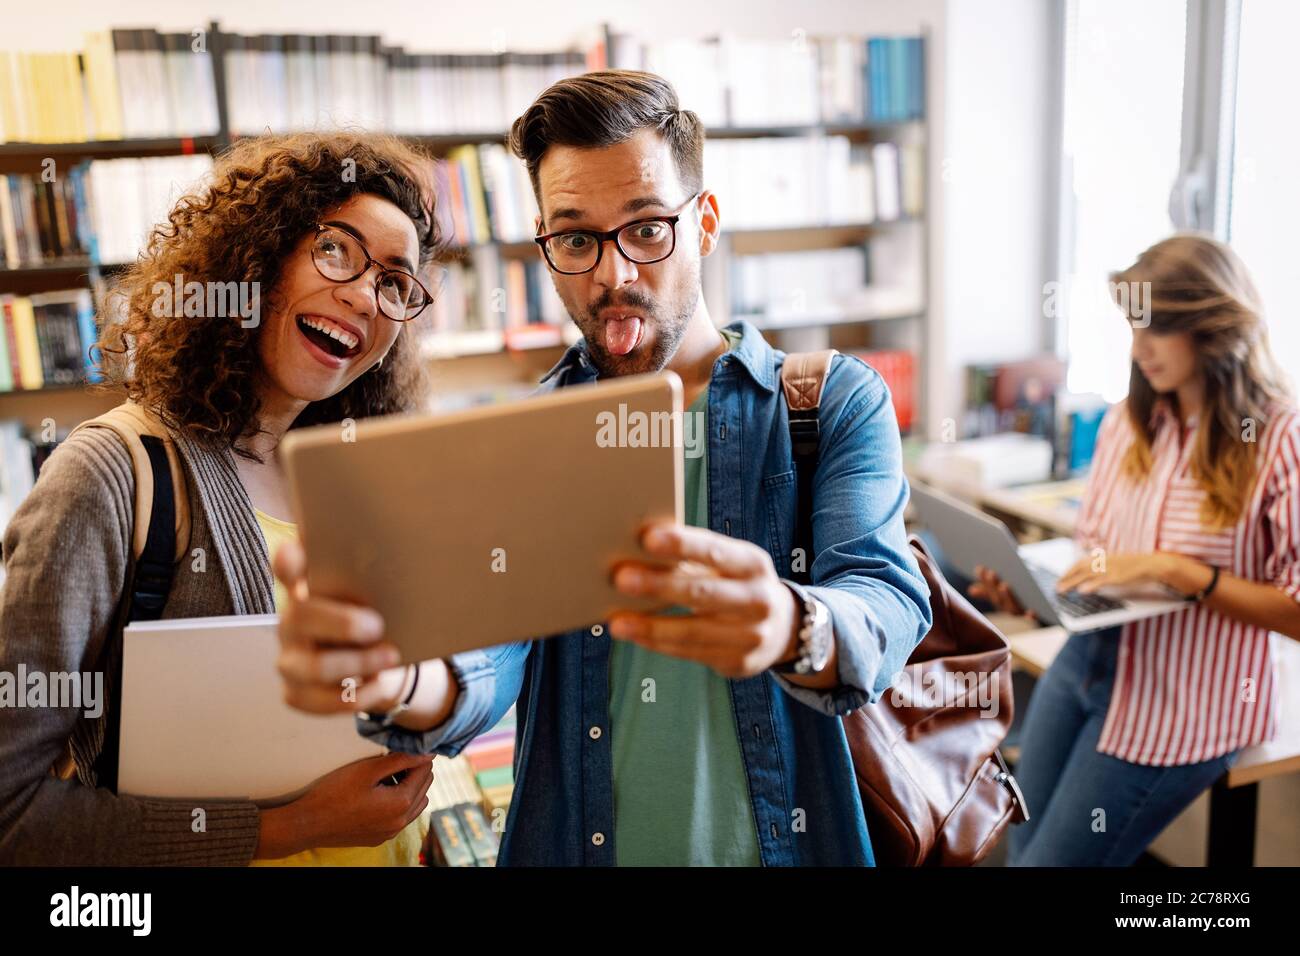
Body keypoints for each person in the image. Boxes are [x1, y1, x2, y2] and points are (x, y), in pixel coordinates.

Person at [273, 70, 933, 866]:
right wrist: (404, 682)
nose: (612, 276)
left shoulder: (826, 404)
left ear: (706, 222)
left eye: (647, 228)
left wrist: (794, 625)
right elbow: (490, 650)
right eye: (576, 238)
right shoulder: (522, 444)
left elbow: (885, 598)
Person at [0, 132, 439, 865]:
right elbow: (12, 814)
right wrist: (296, 827)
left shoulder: (360, 476)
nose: (366, 294)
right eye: (337, 251)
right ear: (257, 260)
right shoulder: (108, 475)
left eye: (396, 282)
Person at [970, 234, 1300, 866]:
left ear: (1211, 327)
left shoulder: (1278, 438)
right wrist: (1039, 593)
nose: (1138, 348)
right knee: (1014, 847)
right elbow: (1098, 554)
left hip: (1188, 703)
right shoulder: (1129, 422)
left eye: (1155, 330)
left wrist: (1181, 572)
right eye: (1132, 327)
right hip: (1086, 665)